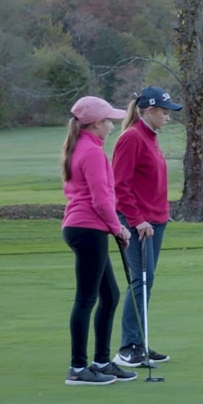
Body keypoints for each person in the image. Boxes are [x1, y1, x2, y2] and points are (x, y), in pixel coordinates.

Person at [61, 96, 137, 385]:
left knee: (110, 296)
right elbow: (101, 199)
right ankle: (78, 369)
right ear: (95, 124)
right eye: (108, 122)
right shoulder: (92, 153)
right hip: (88, 228)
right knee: (87, 299)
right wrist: (118, 228)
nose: (112, 126)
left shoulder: (83, 146)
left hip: (85, 228)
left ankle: (102, 362)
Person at [112, 86, 182, 368]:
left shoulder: (150, 137)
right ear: (150, 111)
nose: (168, 117)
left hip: (156, 220)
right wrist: (137, 219)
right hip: (137, 222)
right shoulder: (132, 139)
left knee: (146, 281)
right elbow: (120, 185)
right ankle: (128, 348)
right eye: (164, 112)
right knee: (140, 281)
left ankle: (140, 343)